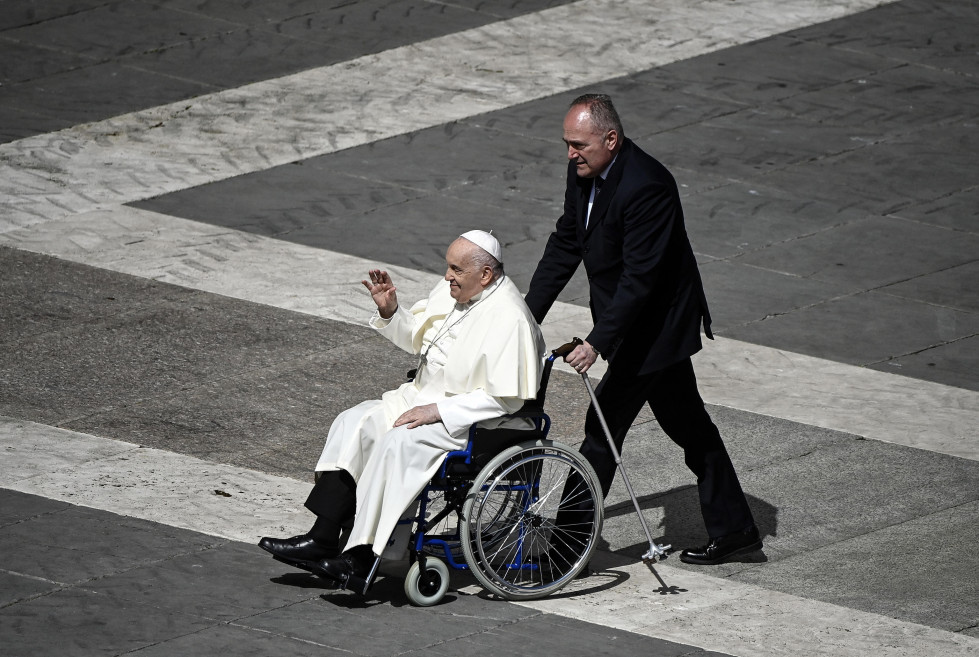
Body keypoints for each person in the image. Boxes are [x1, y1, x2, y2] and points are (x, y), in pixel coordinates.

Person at [524, 94, 761, 565]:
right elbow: (566, 242)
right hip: (631, 319)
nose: (570, 154)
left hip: (656, 326)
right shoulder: (584, 171)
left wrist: (597, 342)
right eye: (567, 144)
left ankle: (565, 549)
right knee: (688, 425)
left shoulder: (647, 186)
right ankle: (736, 530)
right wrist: (525, 318)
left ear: (610, 139)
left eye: (579, 144)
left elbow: (641, 279)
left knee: (602, 426)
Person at [259, 230, 546, 585]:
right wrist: (391, 311)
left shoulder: (510, 317)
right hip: (418, 396)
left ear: (485, 275)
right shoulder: (454, 289)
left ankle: (362, 557)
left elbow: (506, 398)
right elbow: (419, 340)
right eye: (448, 267)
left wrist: (438, 412)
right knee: (356, 421)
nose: (446, 277)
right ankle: (322, 536)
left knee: (396, 443)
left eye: (455, 269)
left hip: (466, 421)